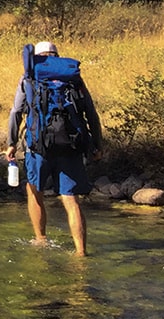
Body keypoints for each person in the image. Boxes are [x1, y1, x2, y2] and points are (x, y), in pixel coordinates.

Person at [6, 40, 103, 256]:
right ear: (57, 56)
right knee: (70, 199)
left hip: (38, 146)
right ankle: (80, 252)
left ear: (38, 57)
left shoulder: (29, 78)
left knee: (34, 191)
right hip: (71, 145)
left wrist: (11, 143)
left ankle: (40, 239)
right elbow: (91, 114)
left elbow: (16, 113)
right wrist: (97, 144)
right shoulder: (74, 79)